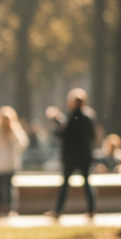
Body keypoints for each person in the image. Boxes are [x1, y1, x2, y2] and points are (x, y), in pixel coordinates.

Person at [45, 88, 96, 218]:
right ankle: (91, 209)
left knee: (65, 184)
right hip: (84, 155)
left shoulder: (73, 116)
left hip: (71, 156)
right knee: (87, 184)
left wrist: (56, 123)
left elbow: (64, 134)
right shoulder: (88, 117)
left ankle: (57, 210)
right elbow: (92, 136)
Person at [0, 106, 28, 216]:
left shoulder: (14, 129)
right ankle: (1, 207)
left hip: (10, 162)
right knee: (0, 186)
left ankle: (10, 208)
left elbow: (22, 142)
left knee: (10, 186)